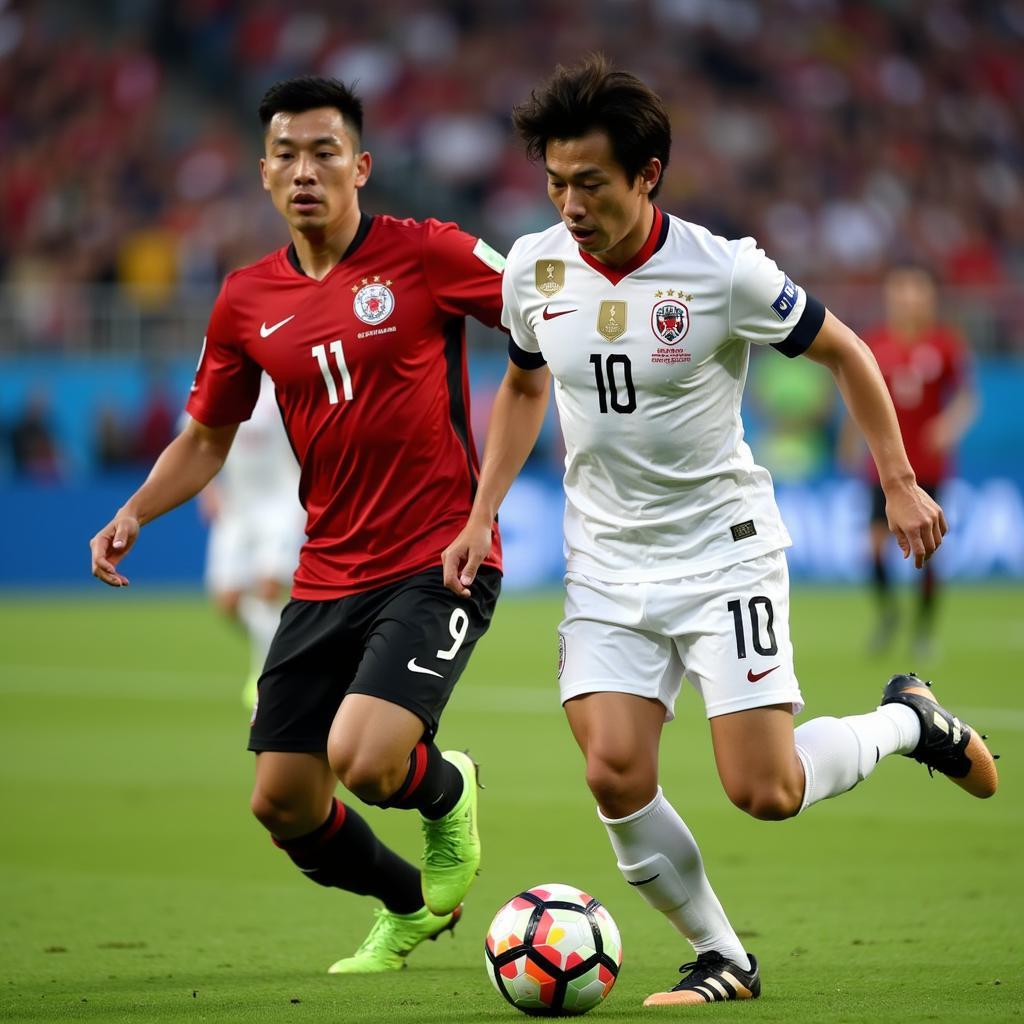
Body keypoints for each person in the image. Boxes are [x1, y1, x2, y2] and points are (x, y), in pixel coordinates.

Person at [442, 55, 998, 1009]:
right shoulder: (534, 267)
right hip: (606, 558)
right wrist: (483, 508)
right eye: (555, 182)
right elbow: (527, 384)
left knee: (765, 790)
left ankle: (909, 721)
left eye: (591, 182)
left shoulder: (722, 269)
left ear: (647, 173)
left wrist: (899, 480)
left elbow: (846, 352)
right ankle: (722, 957)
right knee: (614, 769)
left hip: (721, 549)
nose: (569, 203)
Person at [90, 75, 506, 975]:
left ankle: (450, 786)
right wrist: (134, 512)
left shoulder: (428, 253)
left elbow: (541, 324)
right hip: (327, 570)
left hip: (438, 558)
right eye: (286, 154)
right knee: (281, 802)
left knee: (364, 758)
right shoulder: (245, 299)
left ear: (361, 166)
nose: (304, 170)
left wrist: (487, 506)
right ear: (264, 175)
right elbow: (206, 438)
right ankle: (406, 907)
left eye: (324, 152)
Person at [842, 265, 977, 657]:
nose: (908, 299)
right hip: (882, 467)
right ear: (889, 298)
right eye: (901, 291)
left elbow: (967, 397)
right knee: (872, 548)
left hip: (928, 465)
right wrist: (851, 441)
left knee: (927, 546)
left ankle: (923, 630)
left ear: (929, 298)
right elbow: (859, 398)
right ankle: (888, 615)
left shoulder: (945, 344)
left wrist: (949, 425)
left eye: (916, 291)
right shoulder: (874, 343)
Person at [198, 372, 306, 709]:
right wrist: (208, 488)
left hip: (282, 505)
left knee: (268, 586)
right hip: (237, 509)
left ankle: (266, 681)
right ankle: (288, 652)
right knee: (228, 601)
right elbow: (194, 438)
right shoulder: (220, 385)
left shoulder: (285, 387)